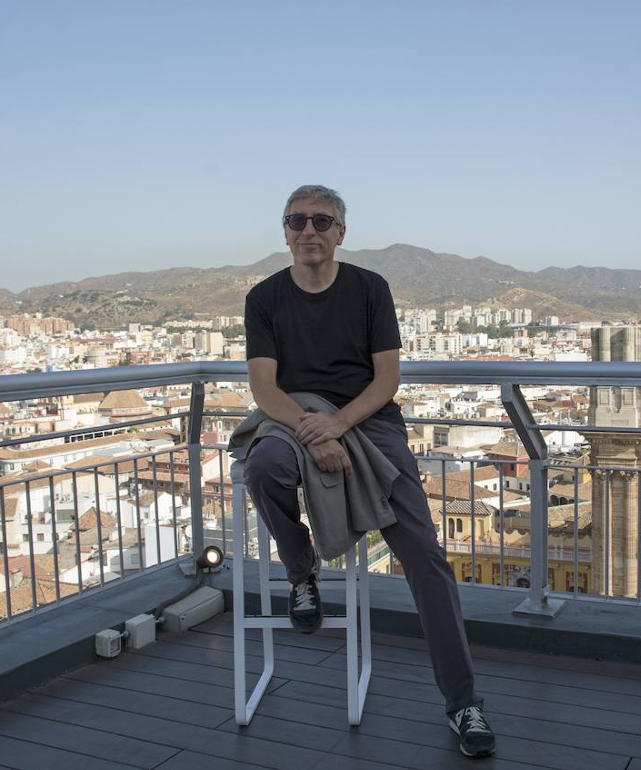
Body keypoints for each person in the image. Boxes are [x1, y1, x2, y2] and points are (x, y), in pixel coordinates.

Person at [241, 184, 496, 759]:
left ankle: (463, 702)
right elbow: (264, 387)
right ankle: (301, 571)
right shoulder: (264, 298)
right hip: (294, 415)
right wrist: (312, 425)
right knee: (264, 467)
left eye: (321, 221)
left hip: (369, 422)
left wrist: (340, 425)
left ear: (340, 232)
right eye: (297, 220)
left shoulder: (369, 289)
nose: (309, 230)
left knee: (424, 555)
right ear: (284, 231)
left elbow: (386, 379)